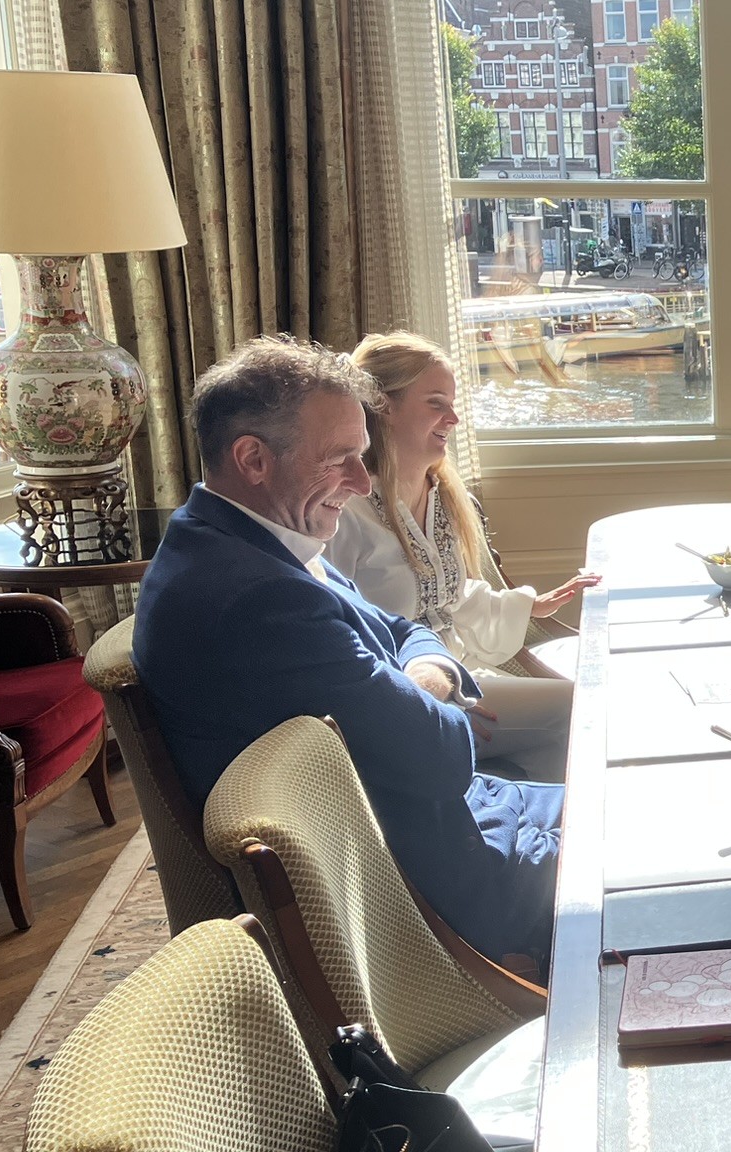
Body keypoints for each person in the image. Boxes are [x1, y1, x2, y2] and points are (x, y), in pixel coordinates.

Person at [133, 336, 561, 967]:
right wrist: (431, 685)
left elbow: (405, 632)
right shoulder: (256, 598)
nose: (362, 483)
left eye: (362, 456)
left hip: (469, 821)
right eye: (341, 459)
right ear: (253, 458)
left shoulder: (252, 539)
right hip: (440, 889)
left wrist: (424, 675)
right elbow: (441, 758)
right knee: (677, 845)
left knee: (649, 799)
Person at [328, 331, 598, 781]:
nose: (452, 419)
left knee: (577, 714)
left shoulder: (444, 496)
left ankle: (503, 802)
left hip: (459, 675)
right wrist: (430, 704)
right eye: (436, 403)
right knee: (578, 711)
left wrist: (527, 605)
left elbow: (448, 597)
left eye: (452, 404)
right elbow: (340, 632)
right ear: (382, 406)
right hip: (405, 697)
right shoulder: (347, 512)